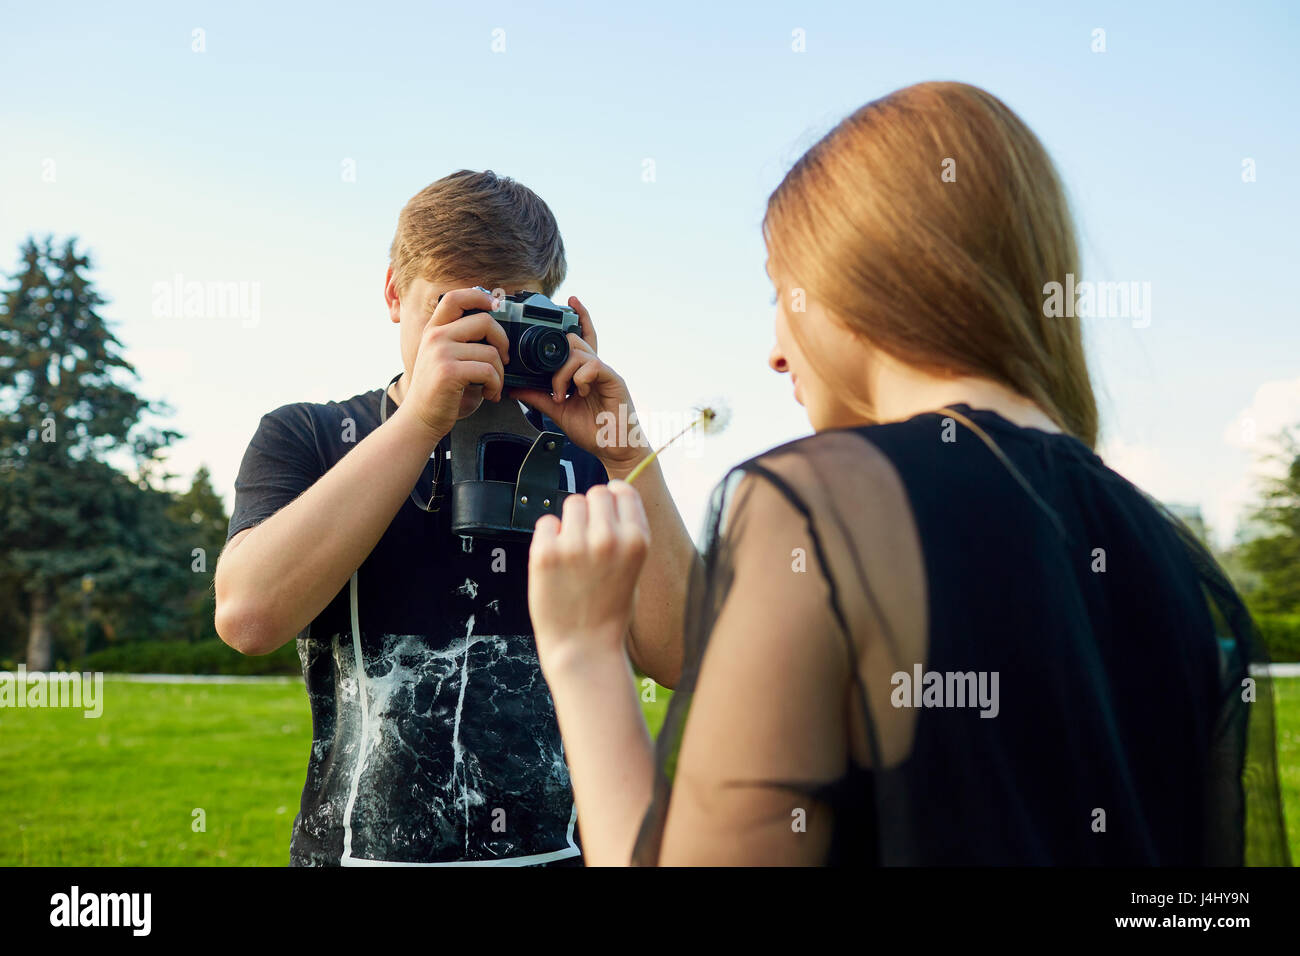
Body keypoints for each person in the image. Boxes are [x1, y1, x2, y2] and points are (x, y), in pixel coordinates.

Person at [525, 82, 1291, 866]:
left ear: (864, 273)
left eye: (779, 292)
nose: (776, 350)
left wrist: (583, 654)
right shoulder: (1161, 549)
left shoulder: (821, 506)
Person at [214, 170, 695, 866]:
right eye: (456, 308)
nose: (483, 336)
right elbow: (248, 617)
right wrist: (421, 420)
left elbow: (678, 656)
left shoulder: (584, 456)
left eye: (511, 312)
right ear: (391, 294)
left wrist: (625, 452)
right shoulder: (311, 436)